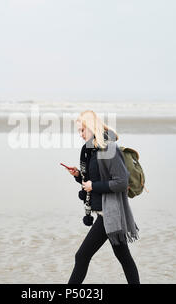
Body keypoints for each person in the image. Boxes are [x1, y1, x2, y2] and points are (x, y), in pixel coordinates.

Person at [65, 110, 140, 284]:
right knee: (124, 258)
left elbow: (121, 182)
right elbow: (94, 181)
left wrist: (93, 185)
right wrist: (78, 176)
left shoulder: (109, 149)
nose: (80, 135)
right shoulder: (91, 151)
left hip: (110, 214)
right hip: (104, 213)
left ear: (91, 128)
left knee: (82, 256)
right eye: (79, 131)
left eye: (82, 130)